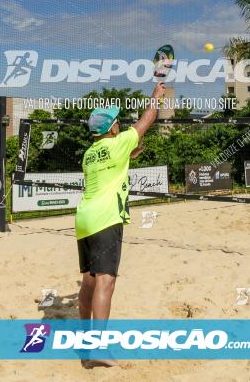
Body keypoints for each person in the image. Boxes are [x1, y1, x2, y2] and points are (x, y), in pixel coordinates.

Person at [75, 82, 165, 368]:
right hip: (106, 219)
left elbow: (111, 163)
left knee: (89, 280)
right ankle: (99, 348)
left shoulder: (90, 153)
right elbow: (147, 119)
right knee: (106, 281)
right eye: (117, 122)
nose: (120, 124)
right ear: (112, 128)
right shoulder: (117, 142)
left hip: (84, 219)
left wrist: (130, 154)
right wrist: (156, 97)